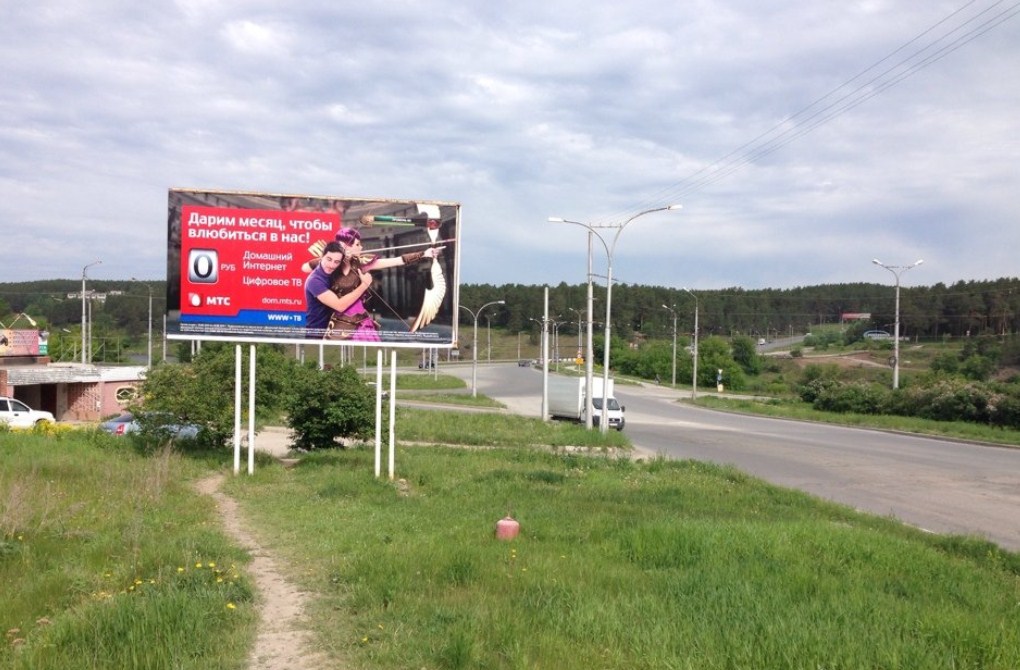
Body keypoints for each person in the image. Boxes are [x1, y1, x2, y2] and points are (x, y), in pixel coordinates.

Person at [303, 228, 442, 340]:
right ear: (346, 246)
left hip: (358, 320)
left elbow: (396, 260)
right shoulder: (332, 262)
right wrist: (331, 258)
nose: (361, 247)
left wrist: (424, 254)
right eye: (357, 244)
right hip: (336, 322)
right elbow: (304, 267)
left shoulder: (362, 264)